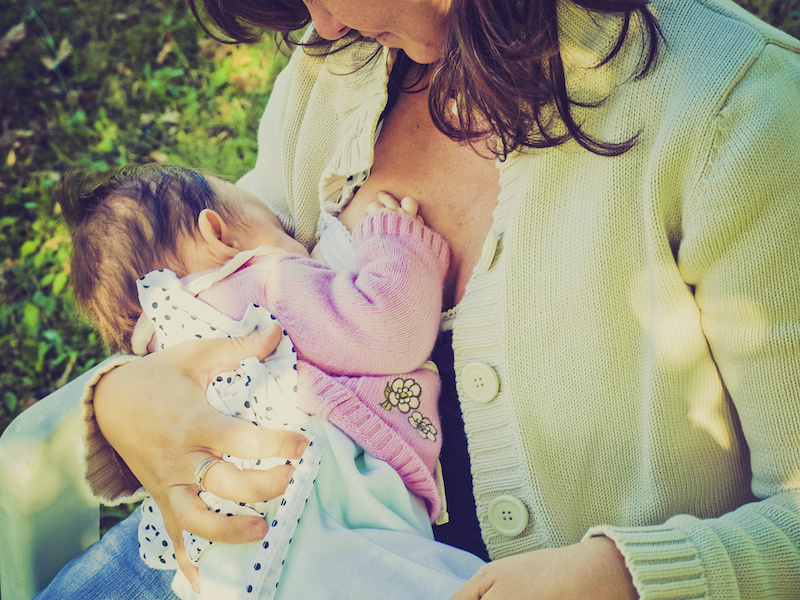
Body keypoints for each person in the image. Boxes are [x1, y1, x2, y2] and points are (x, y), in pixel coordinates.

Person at [38, 0, 800, 596]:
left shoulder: (736, 114)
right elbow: (220, 279)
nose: (320, 22)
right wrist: (121, 401)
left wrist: (633, 579)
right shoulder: (336, 69)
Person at [56, 163, 485, 598]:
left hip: (226, 564)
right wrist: (397, 242)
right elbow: (390, 330)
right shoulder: (263, 285)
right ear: (218, 234)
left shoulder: (166, 351)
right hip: (320, 520)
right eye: (281, 227)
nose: (299, 244)